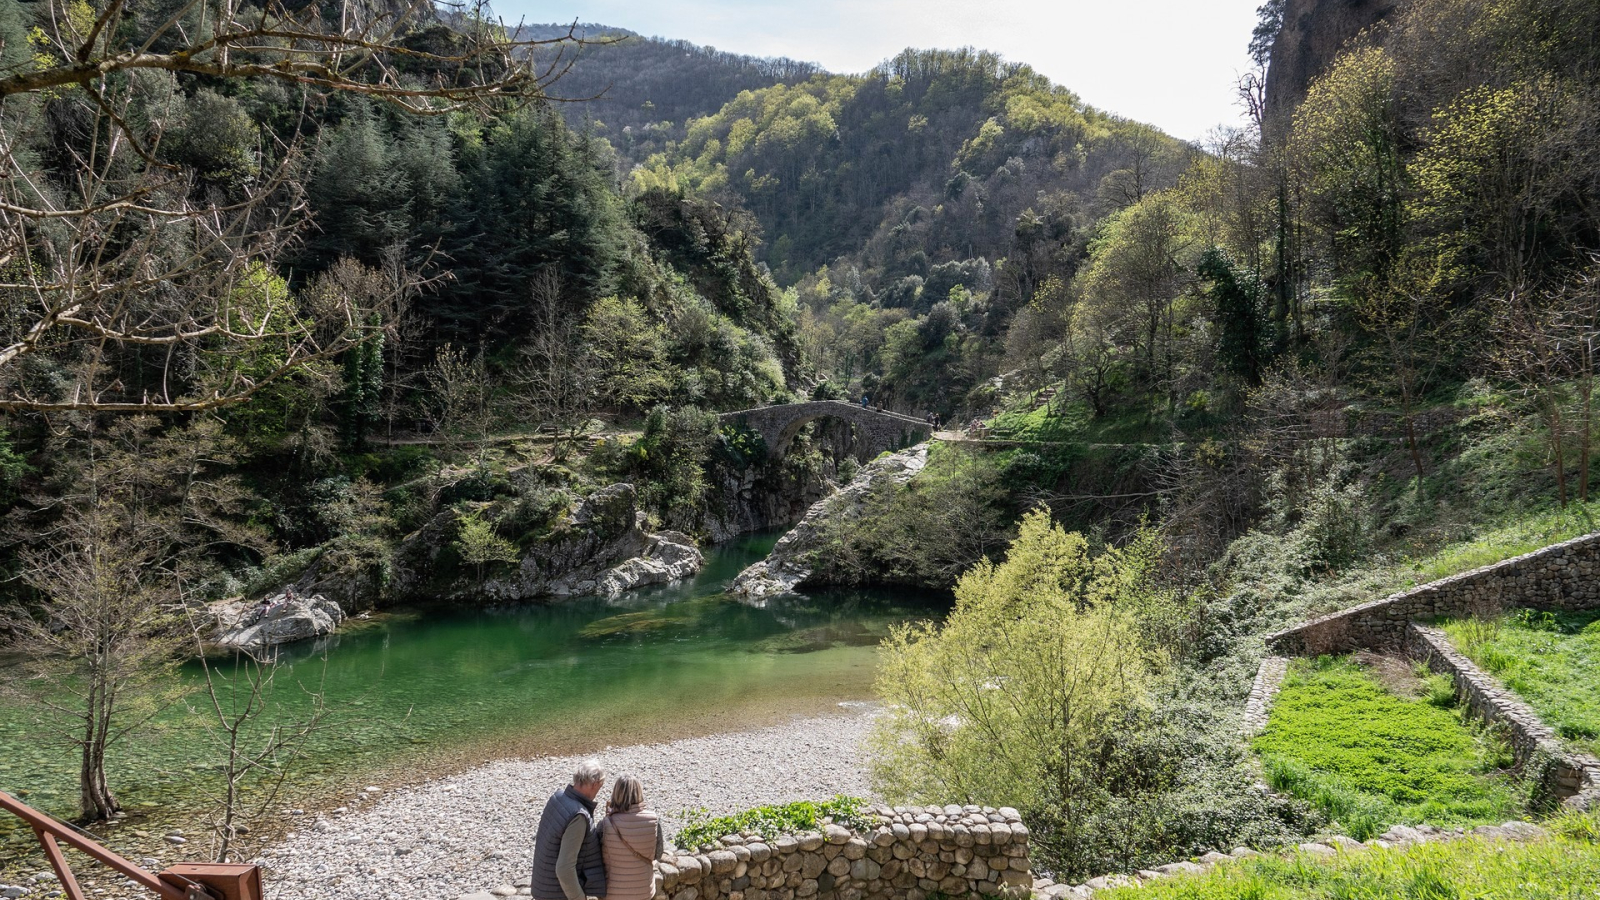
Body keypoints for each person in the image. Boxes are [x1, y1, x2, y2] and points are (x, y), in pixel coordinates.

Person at [531, 760, 609, 900]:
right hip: (557, 894)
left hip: (542, 885)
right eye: (600, 786)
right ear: (594, 784)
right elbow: (564, 869)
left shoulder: (558, 797)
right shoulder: (578, 816)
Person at [597, 775, 662, 900]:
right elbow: (658, 854)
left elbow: (597, 856)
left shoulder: (605, 824)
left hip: (613, 893)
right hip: (643, 891)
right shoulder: (654, 820)